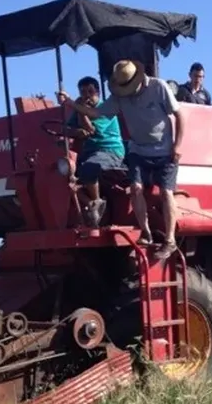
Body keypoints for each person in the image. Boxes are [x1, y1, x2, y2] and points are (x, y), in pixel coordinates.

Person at [57, 60, 185, 261]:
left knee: (166, 193)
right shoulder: (119, 97)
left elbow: (179, 115)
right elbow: (95, 113)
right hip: (137, 150)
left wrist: (177, 146)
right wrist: (70, 103)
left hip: (164, 150)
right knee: (135, 188)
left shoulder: (158, 87)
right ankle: (146, 233)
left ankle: (170, 240)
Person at [63, 76, 127, 228]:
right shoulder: (79, 110)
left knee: (90, 167)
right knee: (65, 179)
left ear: (97, 92)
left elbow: (91, 129)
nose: (86, 95)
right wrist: (77, 132)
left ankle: (97, 201)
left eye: (90, 91)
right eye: (83, 92)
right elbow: (66, 129)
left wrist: (80, 112)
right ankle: (92, 203)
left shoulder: (104, 109)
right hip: (90, 152)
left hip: (110, 151)